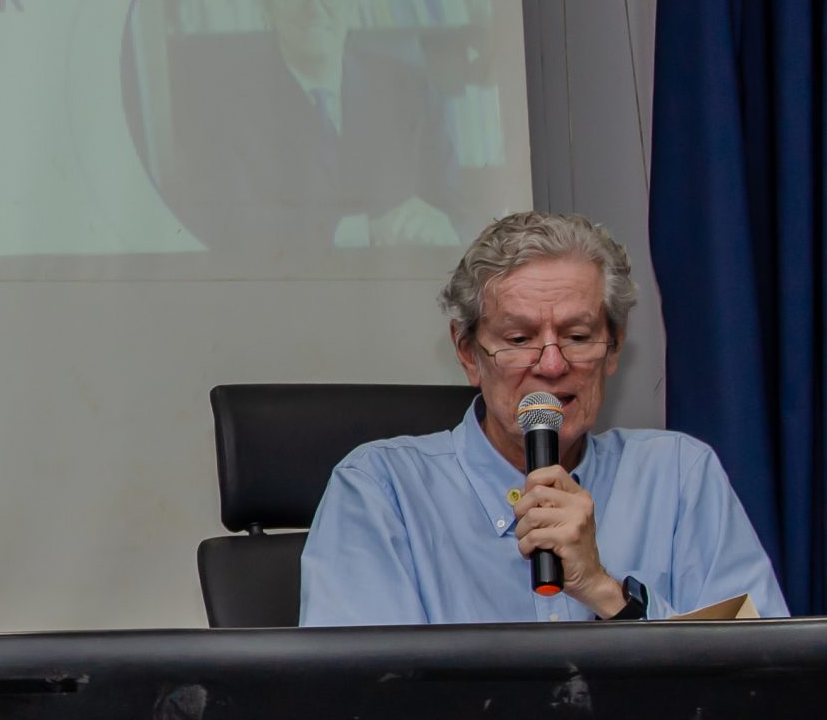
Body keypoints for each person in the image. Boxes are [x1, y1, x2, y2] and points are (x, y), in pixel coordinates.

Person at [300, 212, 788, 624]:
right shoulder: (380, 490)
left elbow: (762, 677)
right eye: (519, 340)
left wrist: (603, 590)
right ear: (468, 352)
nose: (552, 365)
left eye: (577, 336)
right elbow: (362, 690)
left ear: (614, 346)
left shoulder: (679, 476)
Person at [173, 0, 462, 252]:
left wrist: (441, 224)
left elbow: (458, 207)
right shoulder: (224, 102)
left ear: (352, 6)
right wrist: (361, 232)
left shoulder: (409, 89)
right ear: (266, 6)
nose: (314, 8)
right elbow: (225, 221)